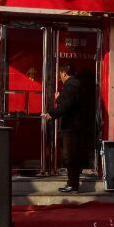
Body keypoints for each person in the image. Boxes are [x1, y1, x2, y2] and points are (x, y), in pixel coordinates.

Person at [45, 63, 85, 193]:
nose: (60, 77)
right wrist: (59, 99)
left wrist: (51, 113)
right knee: (73, 155)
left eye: (60, 74)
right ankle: (73, 183)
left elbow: (66, 106)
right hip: (77, 125)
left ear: (64, 73)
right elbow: (70, 103)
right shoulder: (78, 84)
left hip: (70, 127)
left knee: (69, 156)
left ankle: (72, 184)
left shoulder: (69, 85)